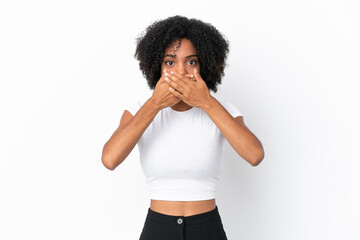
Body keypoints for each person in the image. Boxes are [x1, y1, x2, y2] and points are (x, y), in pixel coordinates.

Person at [101, 15, 264, 240]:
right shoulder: (139, 109)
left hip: (207, 228)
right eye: (170, 62)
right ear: (157, 66)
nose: (180, 72)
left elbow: (255, 155)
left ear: (203, 65)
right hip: (158, 229)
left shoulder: (221, 109)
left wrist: (206, 102)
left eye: (191, 61)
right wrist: (155, 104)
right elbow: (110, 159)